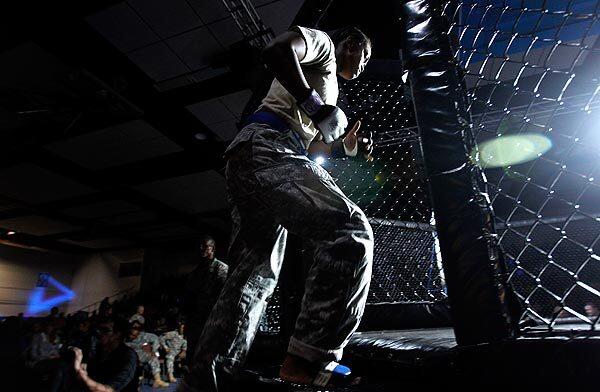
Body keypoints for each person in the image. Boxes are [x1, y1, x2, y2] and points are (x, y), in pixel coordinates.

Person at [181, 25, 373, 391]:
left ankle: (204, 382)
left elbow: (311, 149)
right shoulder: (325, 46)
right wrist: (317, 107)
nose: (364, 64)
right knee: (350, 231)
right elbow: (276, 50)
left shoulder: (328, 81)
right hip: (267, 148)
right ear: (351, 43)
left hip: (260, 154)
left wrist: (347, 147)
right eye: (364, 55)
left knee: (253, 278)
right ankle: (309, 358)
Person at [183, 236, 228, 359]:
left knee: (209, 353)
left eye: (205, 246)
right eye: (200, 246)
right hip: (196, 317)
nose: (202, 249)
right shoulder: (196, 271)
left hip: (211, 317)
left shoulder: (221, 268)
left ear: (212, 248)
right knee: (193, 352)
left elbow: (223, 294)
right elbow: (190, 294)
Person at [70, 317, 137, 392]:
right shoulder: (99, 350)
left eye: (105, 331)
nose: (99, 333)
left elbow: (108, 390)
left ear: (117, 334)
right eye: (99, 330)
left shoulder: (128, 356)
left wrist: (80, 373)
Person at [126, 323, 169, 388]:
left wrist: (153, 350)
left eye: (137, 329)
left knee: (154, 357)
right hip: (129, 356)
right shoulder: (124, 338)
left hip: (141, 354)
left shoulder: (143, 335)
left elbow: (155, 338)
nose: (132, 336)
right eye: (131, 333)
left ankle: (157, 380)